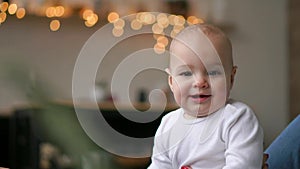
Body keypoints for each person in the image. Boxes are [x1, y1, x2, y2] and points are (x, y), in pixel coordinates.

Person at [148, 23, 264, 168]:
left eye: (213, 72)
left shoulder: (236, 118)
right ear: (171, 81)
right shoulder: (168, 125)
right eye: (186, 73)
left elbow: (242, 165)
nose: (200, 82)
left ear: (231, 78)